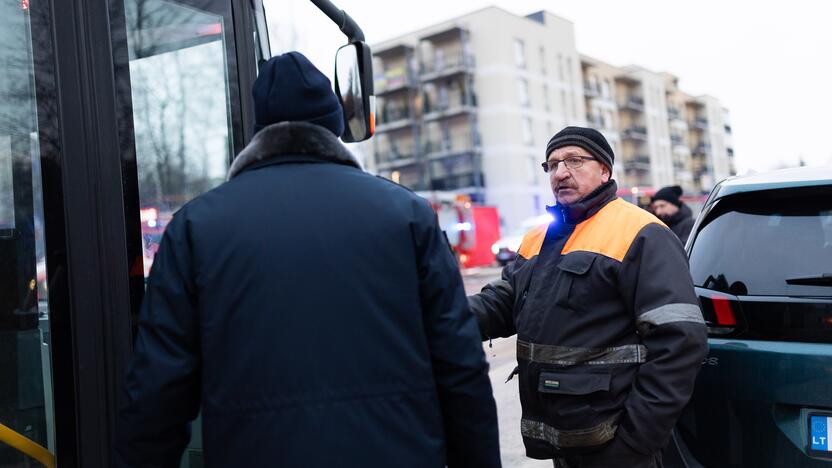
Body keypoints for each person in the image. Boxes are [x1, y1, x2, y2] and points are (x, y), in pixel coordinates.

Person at [115, 51, 500, 468]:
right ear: (334, 127)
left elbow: (158, 393)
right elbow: (461, 371)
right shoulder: (407, 215)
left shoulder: (195, 227)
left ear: (259, 131)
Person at [469, 126, 707, 468]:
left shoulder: (641, 232)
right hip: (567, 438)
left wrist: (635, 441)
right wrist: (434, 315)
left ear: (605, 170)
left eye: (574, 160)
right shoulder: (540, 235)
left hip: (617, 445)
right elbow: (504, 302)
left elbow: (680, 341)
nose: (561, 172)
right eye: (552, 165)